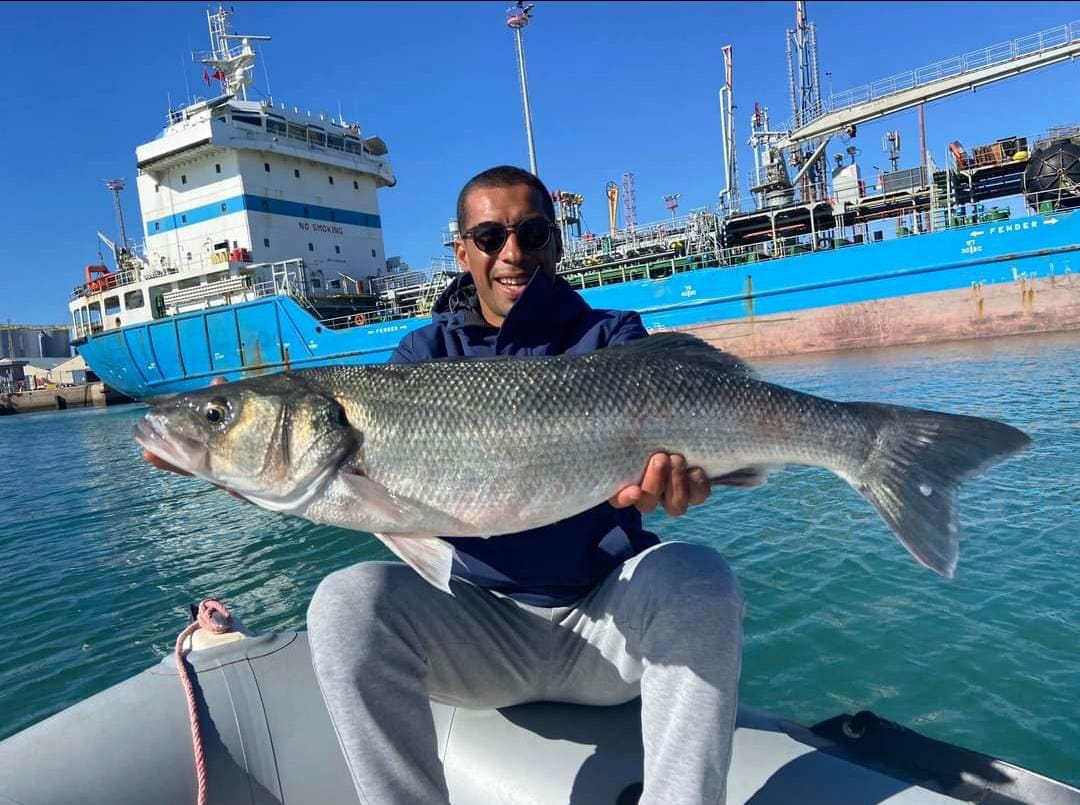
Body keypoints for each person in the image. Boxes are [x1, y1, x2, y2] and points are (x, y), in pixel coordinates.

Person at [143, 165, 745, 804]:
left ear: (556, 242)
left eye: (532, 233)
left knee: (699, 577)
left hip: (611, 623)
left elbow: (672, 468)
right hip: (480, 635)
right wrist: (229, 460)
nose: (512, 253)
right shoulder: (422, 357)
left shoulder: (612, 338)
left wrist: (683, 481)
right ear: (461, 251)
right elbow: (334, 491)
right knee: (345, 601)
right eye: (489, 237)